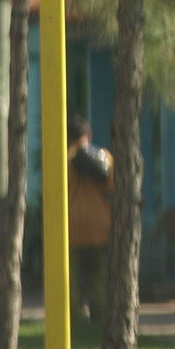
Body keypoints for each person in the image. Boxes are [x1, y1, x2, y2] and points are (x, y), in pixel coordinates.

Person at [67, 115, 113, 327]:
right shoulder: (103, 156)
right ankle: (100, 312)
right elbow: (112, 186)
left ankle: (75, 315)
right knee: (99, 269)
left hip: (71, 224)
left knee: (72, 272)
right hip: (99, 223)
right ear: (89, 135)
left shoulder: (63, 159)